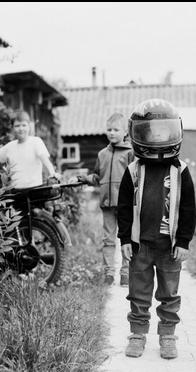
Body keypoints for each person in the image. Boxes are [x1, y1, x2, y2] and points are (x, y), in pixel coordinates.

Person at [118, 99, 196, 360]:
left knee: (169, 294)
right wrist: (125, 239)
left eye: (164, 130)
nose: (158, 137)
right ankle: (138, 335)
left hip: (169, 248)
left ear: (176, 131)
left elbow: (187, 209)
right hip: (140, 246)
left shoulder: (181, 171)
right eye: (151, 131)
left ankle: (167, 336)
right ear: (138, 133)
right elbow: (124, 208)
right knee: (138, 294)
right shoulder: (132, 171)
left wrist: (183, 241)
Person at [78, 113, 136, 286]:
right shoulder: (102, 154)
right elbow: (97, 176)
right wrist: (85, 178)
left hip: (126, 205)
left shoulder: (130, 154)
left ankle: (126, 273)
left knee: (127, 239)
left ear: (125, 132)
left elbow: (136, 177)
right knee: (108, 240)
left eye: (116, 130)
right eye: (109, 129)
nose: (112, 133)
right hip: (107, 204)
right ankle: (108, 274)